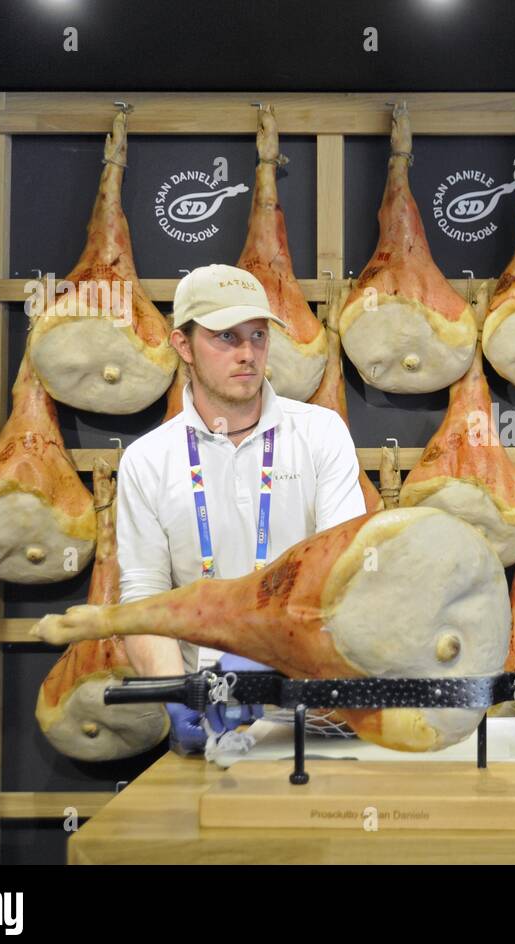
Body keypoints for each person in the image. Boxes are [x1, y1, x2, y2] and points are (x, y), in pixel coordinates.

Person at [114, 263, 366, 753]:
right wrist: (177, 695)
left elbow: (344, 574)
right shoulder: (147, 460)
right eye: (225, 337)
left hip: (313, 706)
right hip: (212, 708)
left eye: (257, 335)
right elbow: (145, 598)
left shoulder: (321, 432)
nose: (248, 353)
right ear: (183, 345)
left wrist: (267, 656)